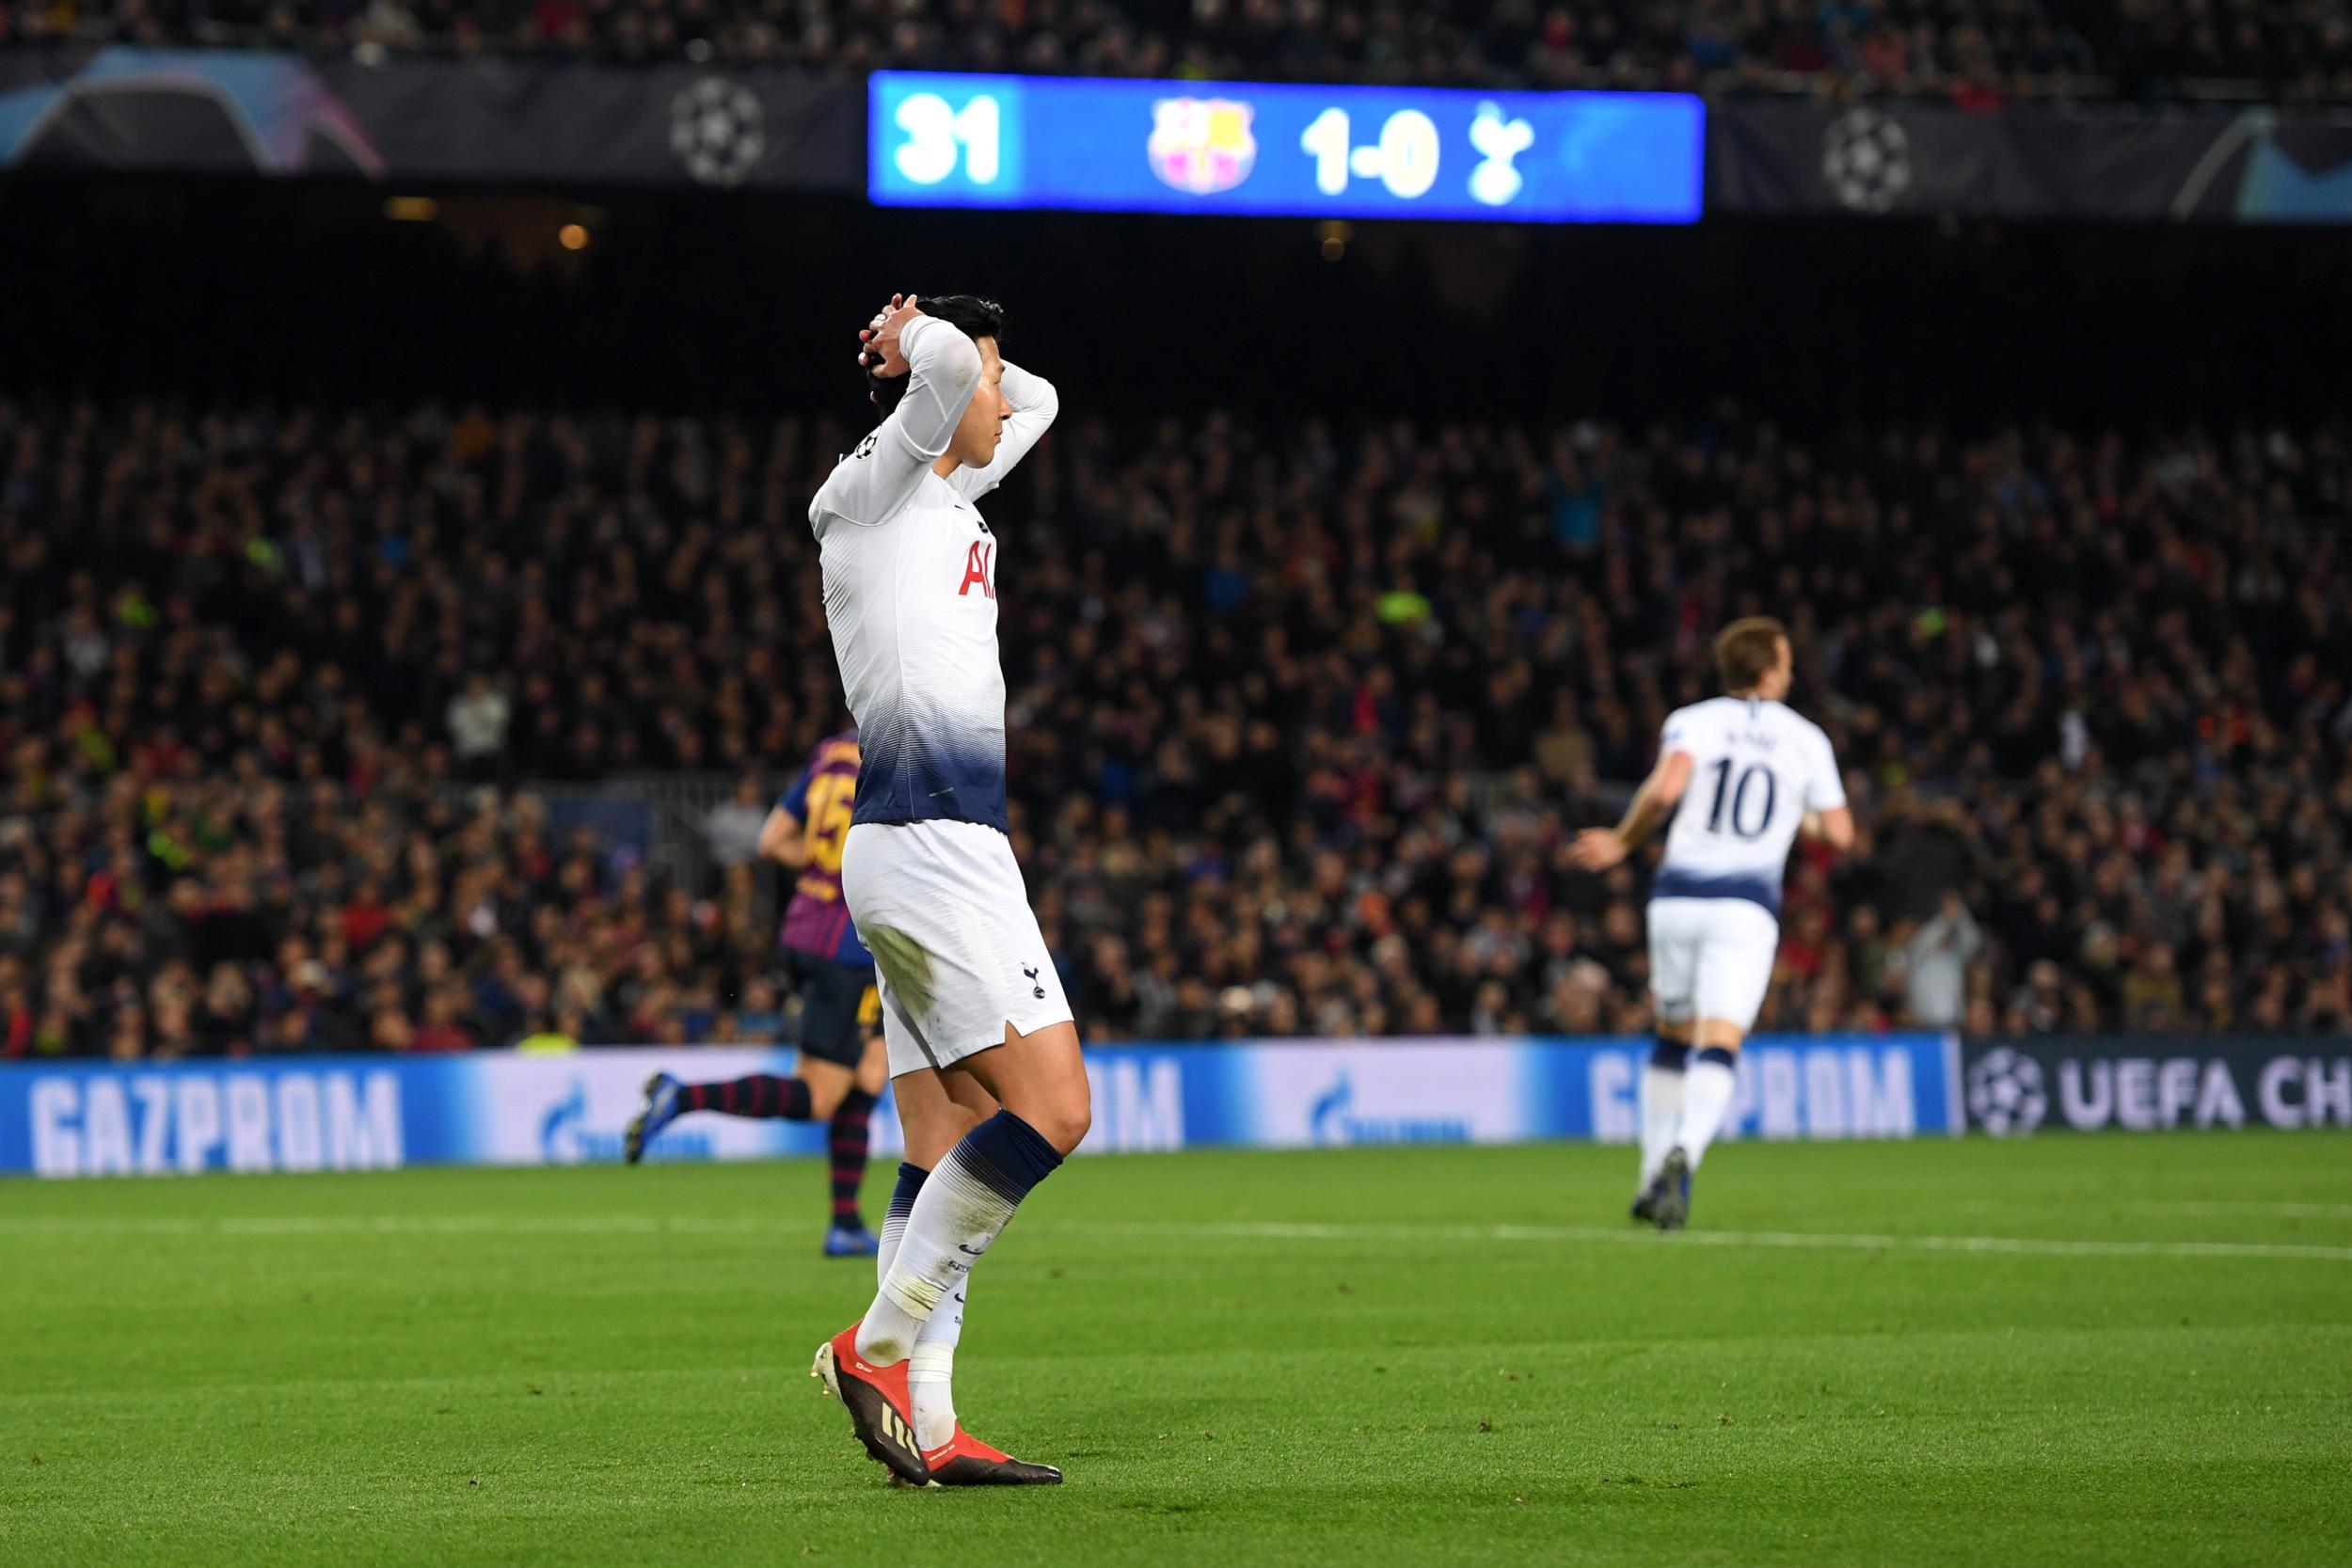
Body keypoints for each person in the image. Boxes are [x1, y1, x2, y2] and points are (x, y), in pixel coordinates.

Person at [804, 293, 1086, 1489]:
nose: (993, 397)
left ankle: (931, 1416)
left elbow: (1041, 399)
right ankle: (873, 1343)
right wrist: (905, 331)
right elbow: (945, 382)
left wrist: (979, 357)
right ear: (919, 392)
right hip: (934, 842)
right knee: (1055, 1110)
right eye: (975, 376)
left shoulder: (947, 498)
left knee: (943, 1136)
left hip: (921, 844)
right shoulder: (865, 494)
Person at [1570, 617, 1853, 1230]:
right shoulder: (1805, 738)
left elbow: (1667, 790)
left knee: (1672, 1035)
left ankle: (1650, 1177)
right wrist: (1793, 813)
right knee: (1719, 1041)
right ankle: (1686, 1153)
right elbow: (1840, 832)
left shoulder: (1693, 720)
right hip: (1744, 905)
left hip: (1675, 897)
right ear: (1771, 669)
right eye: (1787, 660)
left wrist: (1623, 840)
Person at [623, 731, 893, 1257]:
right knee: (820, 1094)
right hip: (849, 947)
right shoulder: (899, 758)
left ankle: (846, 1223)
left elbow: (772, 841)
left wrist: (822, 868)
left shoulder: (832, 752)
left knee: (871, 1069)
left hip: (805, 929)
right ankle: (682, 1096)